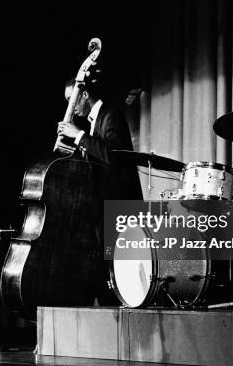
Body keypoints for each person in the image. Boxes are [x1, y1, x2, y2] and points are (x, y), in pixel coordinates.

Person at [57, 77, 143, 305]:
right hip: (102, 208)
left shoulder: (111, 114)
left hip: (118, 207)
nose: (70, 108)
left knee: (117, 275)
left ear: (84, 94)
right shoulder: (97, 120)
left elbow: (113, 155)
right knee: (105, 275)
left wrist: (79, 136)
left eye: (72, 100)